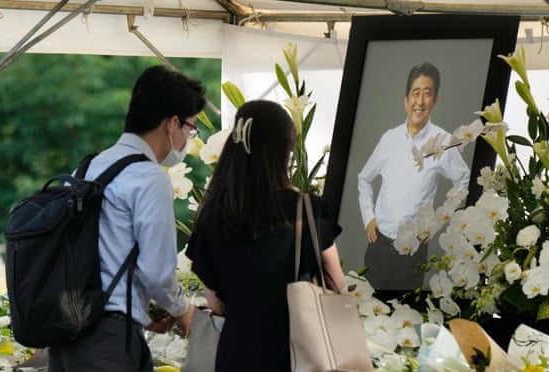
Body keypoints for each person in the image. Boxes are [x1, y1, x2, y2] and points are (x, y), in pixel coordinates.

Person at [47, 65, 205, 371]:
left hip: (65, 336)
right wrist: (184, 312)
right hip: (107, 341)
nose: (188, 139)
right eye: (190, 129)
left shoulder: (86, 170)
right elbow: (157, 273)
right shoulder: (149, 177)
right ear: (173, 123)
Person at [186, 99, 346, 372]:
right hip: (296, 353)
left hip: (235, 353)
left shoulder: (211, 217)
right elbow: (337, 285)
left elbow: (215, 303)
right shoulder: (305, 210)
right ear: (285, 152)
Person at [357, 62, 470, 299]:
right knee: (366, 313)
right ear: (406, 100)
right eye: (415, 93)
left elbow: (464, 181)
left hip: (412, 254)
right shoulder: (389, 138)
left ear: (434, 100)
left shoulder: (444, 141)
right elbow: (364, 179)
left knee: (404, 318)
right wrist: (369, 217)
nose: (420, 101)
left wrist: (437, 220)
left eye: (427, 94)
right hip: (378, 245)